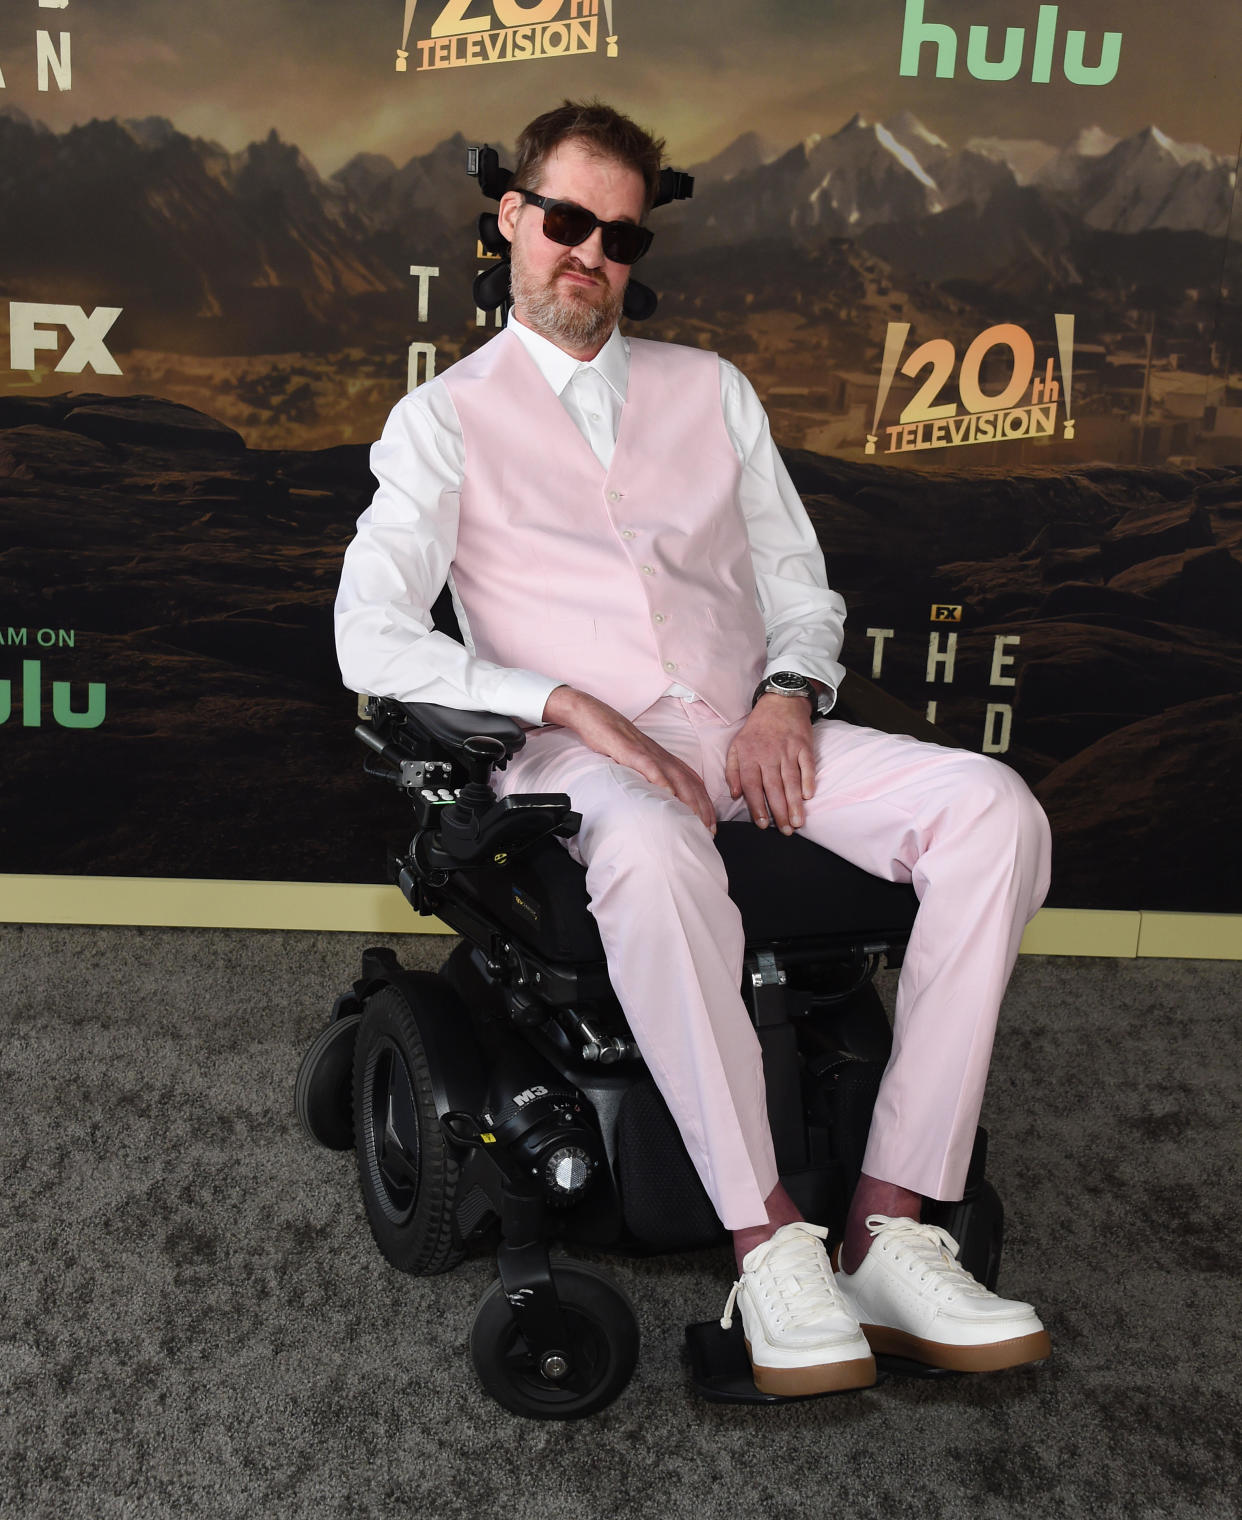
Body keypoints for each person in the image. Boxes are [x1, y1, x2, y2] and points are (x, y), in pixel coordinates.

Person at [335, 100, 1053, 1398]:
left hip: (746, 731)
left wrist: (788, 688)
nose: (587, 255)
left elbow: (794, 583)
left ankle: (889, 1224)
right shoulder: (444, 420)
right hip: (580, 764)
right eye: (565, 222)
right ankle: (768, 1246)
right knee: (660, 854)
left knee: (992, 809)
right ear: (511, 217)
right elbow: (368, 637)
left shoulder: (707, 392)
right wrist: (559, 701)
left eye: (616, 233)